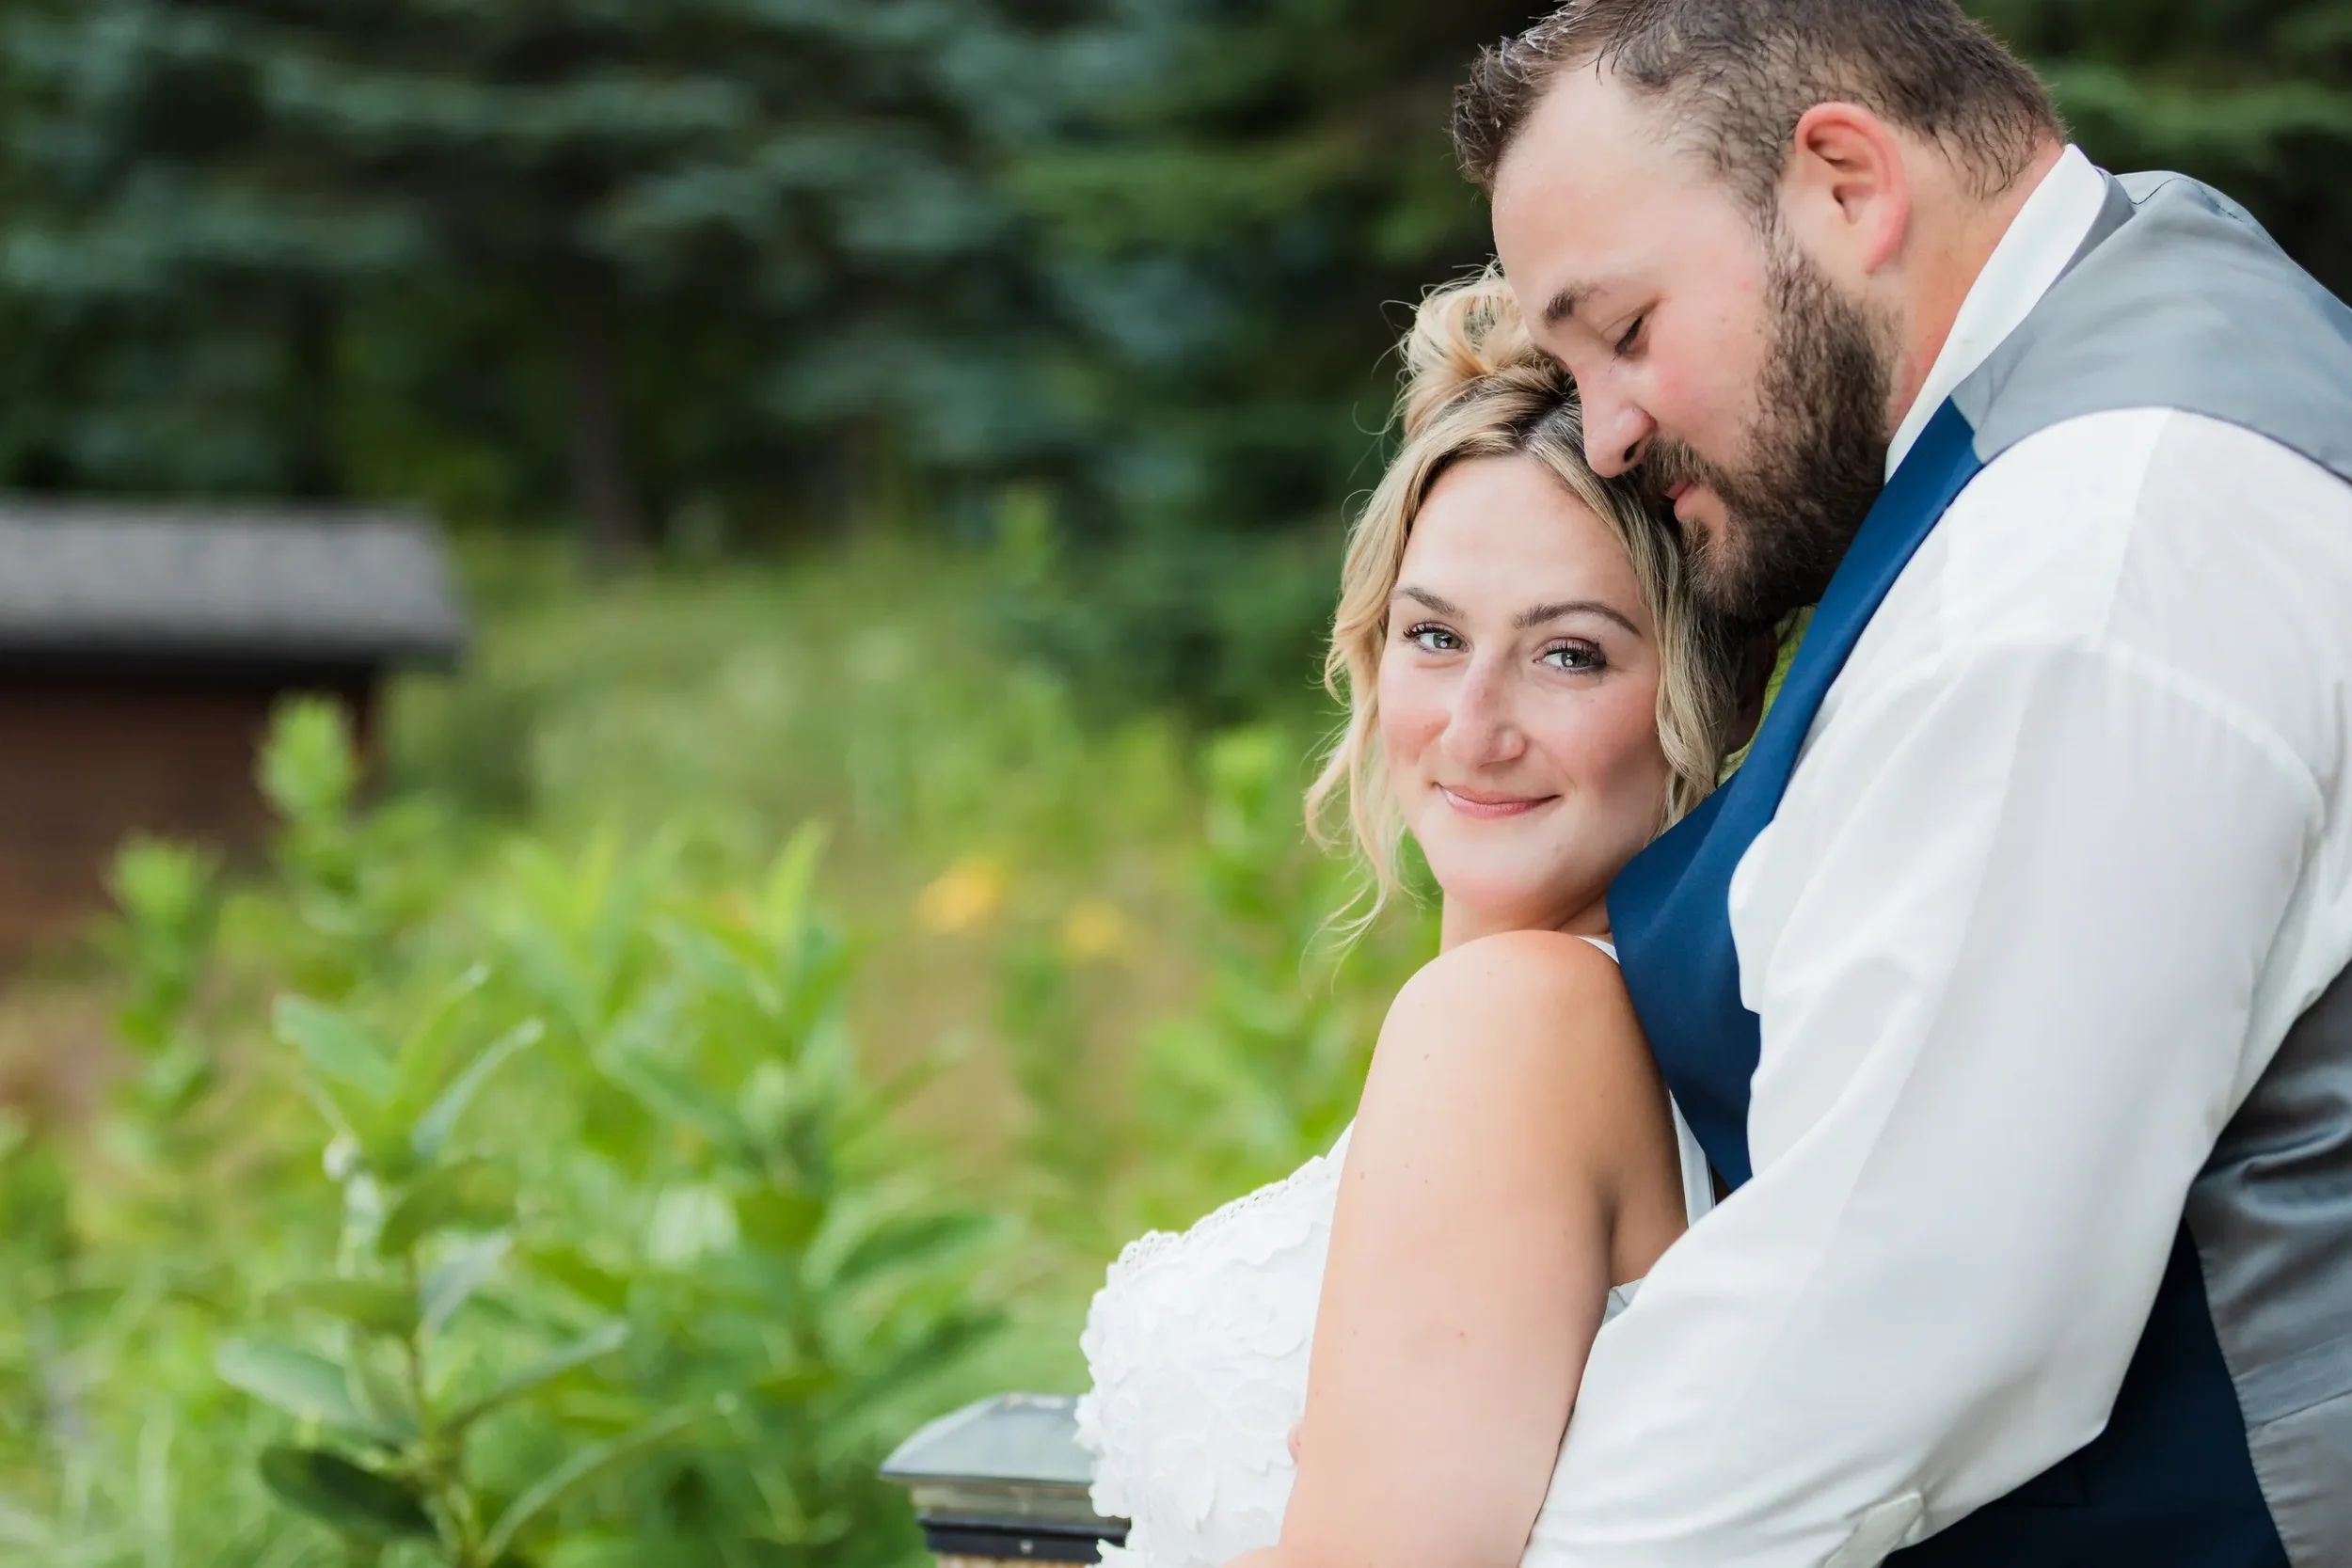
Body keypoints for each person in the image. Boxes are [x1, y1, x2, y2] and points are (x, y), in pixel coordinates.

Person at [1453, 2, 2352, 1564]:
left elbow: (1902, 1313)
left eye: (1627, 328)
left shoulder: (2094, 549)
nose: (1602, 432)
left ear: (1848, 186)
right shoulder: (2123, 345)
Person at [1074, 270, 1752, 1568]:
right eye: (1435, 636)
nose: (1475, 727)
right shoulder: (1623, 1019)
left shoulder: (1517, 1019)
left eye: (1570, 654)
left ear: (1709, 700)